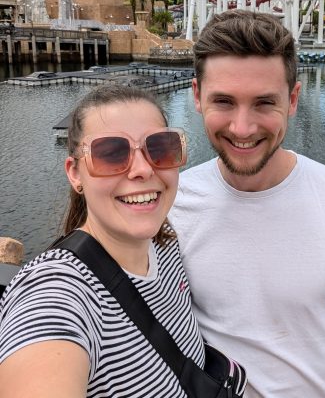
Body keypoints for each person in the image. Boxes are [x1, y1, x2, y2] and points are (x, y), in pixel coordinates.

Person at [168, 9, 325, 398]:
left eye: (263, 103)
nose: (242, 128)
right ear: (197, 97)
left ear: (292, 100)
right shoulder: (169, 205)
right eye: (224, 101)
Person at [0, 84, 205, 397]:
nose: (142, 169)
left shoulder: (166, 246)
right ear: (75, 174)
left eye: (161, 147)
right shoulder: (57, 292)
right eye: (110, 153)